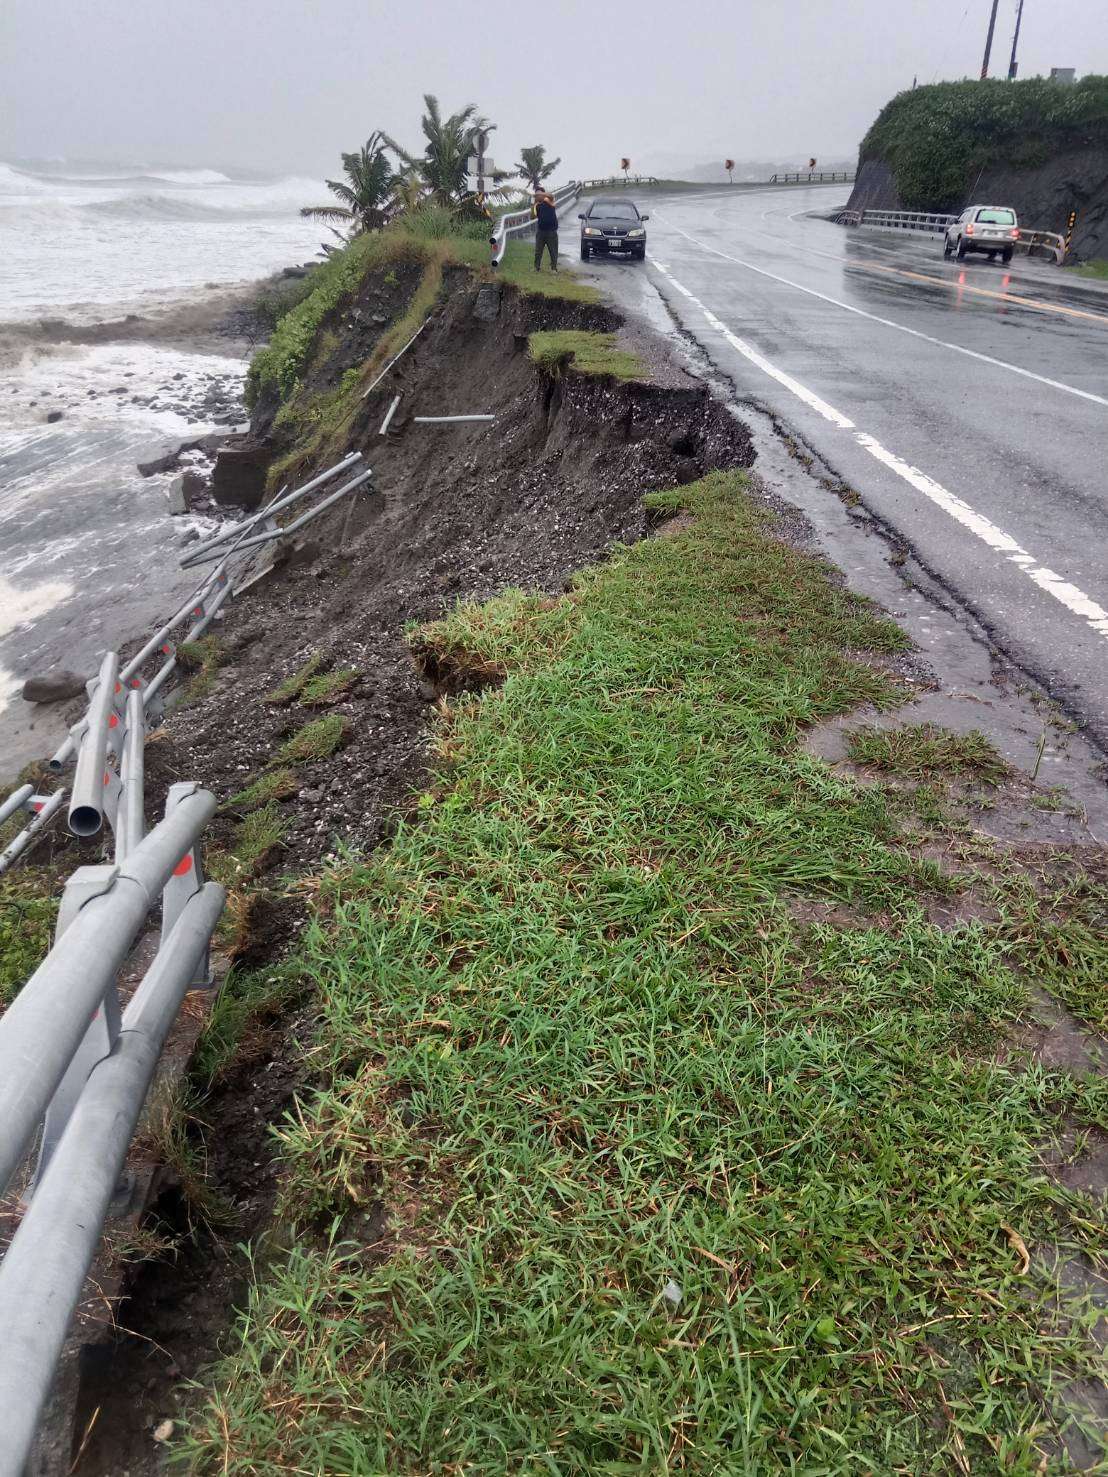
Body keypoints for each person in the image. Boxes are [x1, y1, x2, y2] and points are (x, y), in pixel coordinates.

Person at [533, 189, 559, 273]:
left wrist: (541, 194)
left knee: (553, 251)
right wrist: (534, 203)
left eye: (538, 195)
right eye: (536, 196)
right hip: (541, 231)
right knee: (538, 251)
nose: (537, 197)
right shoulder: (537, 205)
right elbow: (532, 216)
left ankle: (553, 268)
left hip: (552, 231)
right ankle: (536, 267)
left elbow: (551, 195)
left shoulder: (549, 201)